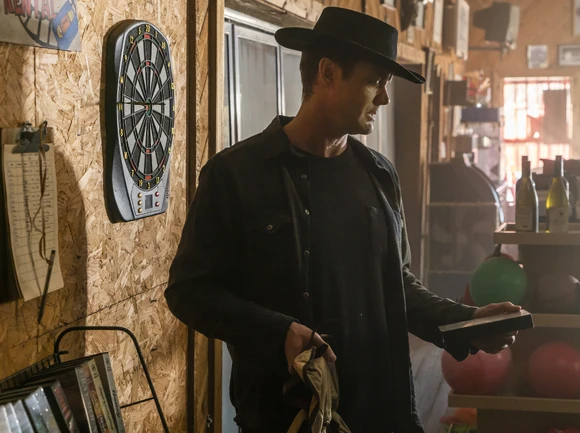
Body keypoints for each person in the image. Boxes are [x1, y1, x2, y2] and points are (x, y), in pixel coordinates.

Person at [165, 7, 520, 433]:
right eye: (374, 81)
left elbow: (398, 286)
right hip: (287, 416)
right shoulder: (236, 175)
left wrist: (467, 323)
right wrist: (278, 330)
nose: (384, 98)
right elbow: (189, 291)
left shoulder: (380, 175)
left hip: (382, 412)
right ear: (328, 73)